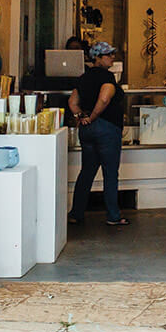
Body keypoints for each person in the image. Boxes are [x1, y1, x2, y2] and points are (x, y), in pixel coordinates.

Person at [67, 41, 129, 227]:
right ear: (98, 58)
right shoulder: (107, 77)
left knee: (87, 171)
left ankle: (76, 213)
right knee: (110, 173)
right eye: (108, 54)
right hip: (107, 128)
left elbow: (72, 102)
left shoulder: (83, 77)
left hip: (87, 131)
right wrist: (93, 117)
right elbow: (104, 98)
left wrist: (81, 117)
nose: (112, 57)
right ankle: (113, 216)